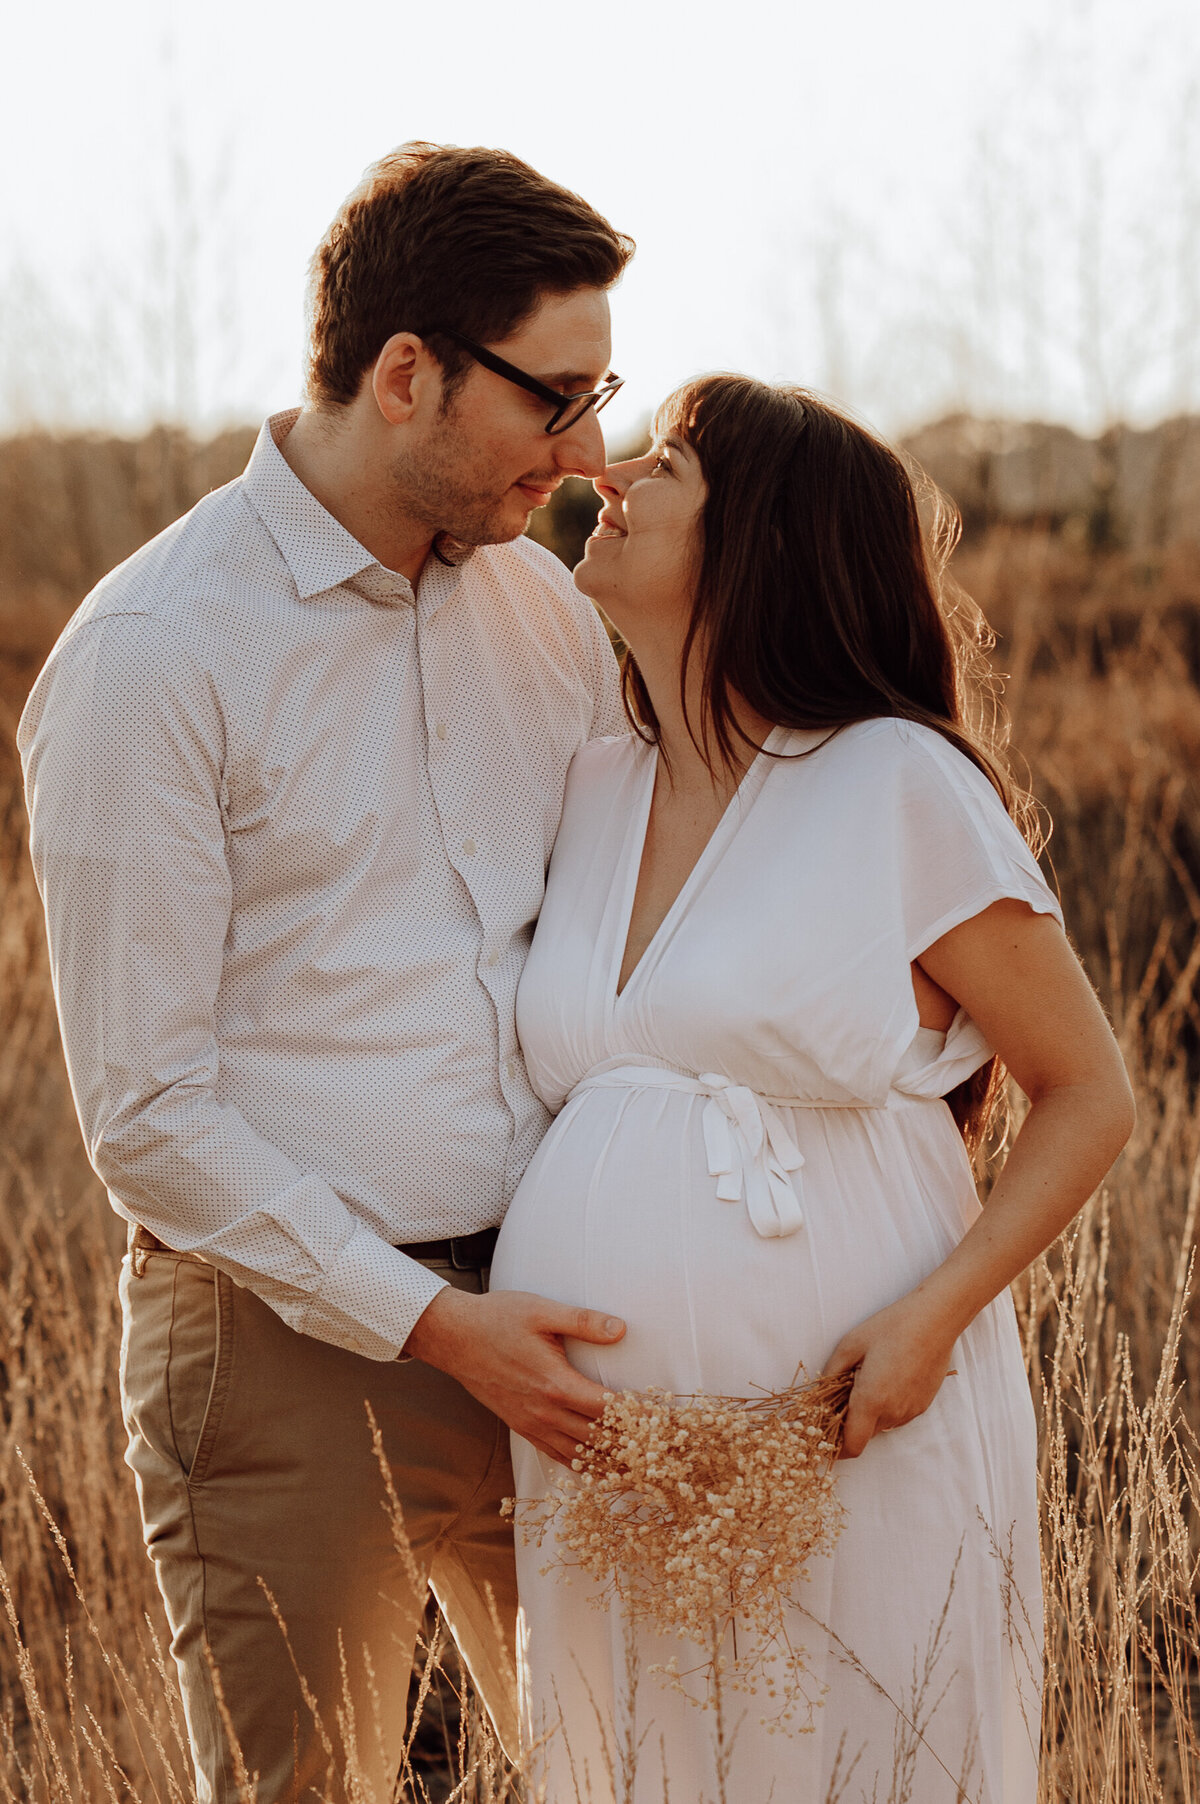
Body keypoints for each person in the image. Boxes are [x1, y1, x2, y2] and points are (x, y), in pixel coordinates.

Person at [18, 143, 637, 1804]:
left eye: (600, 396)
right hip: (282, 1357)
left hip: (559, 1318)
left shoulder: (547, 616)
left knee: (636, 1771)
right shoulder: (155, 656)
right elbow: (146, 1119)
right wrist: (435, 1327)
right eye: (555, 398)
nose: (587, 453)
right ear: (407, 372)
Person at [489, 374, 1136, 1803]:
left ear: (763, 541)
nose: (614, 474)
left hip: (849, 1424)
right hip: (610, 1470)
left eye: (669, 462)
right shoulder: (595, 785)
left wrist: (930, 1322)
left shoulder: (892, 781)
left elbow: (1089, 1091)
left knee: (859, 1751)